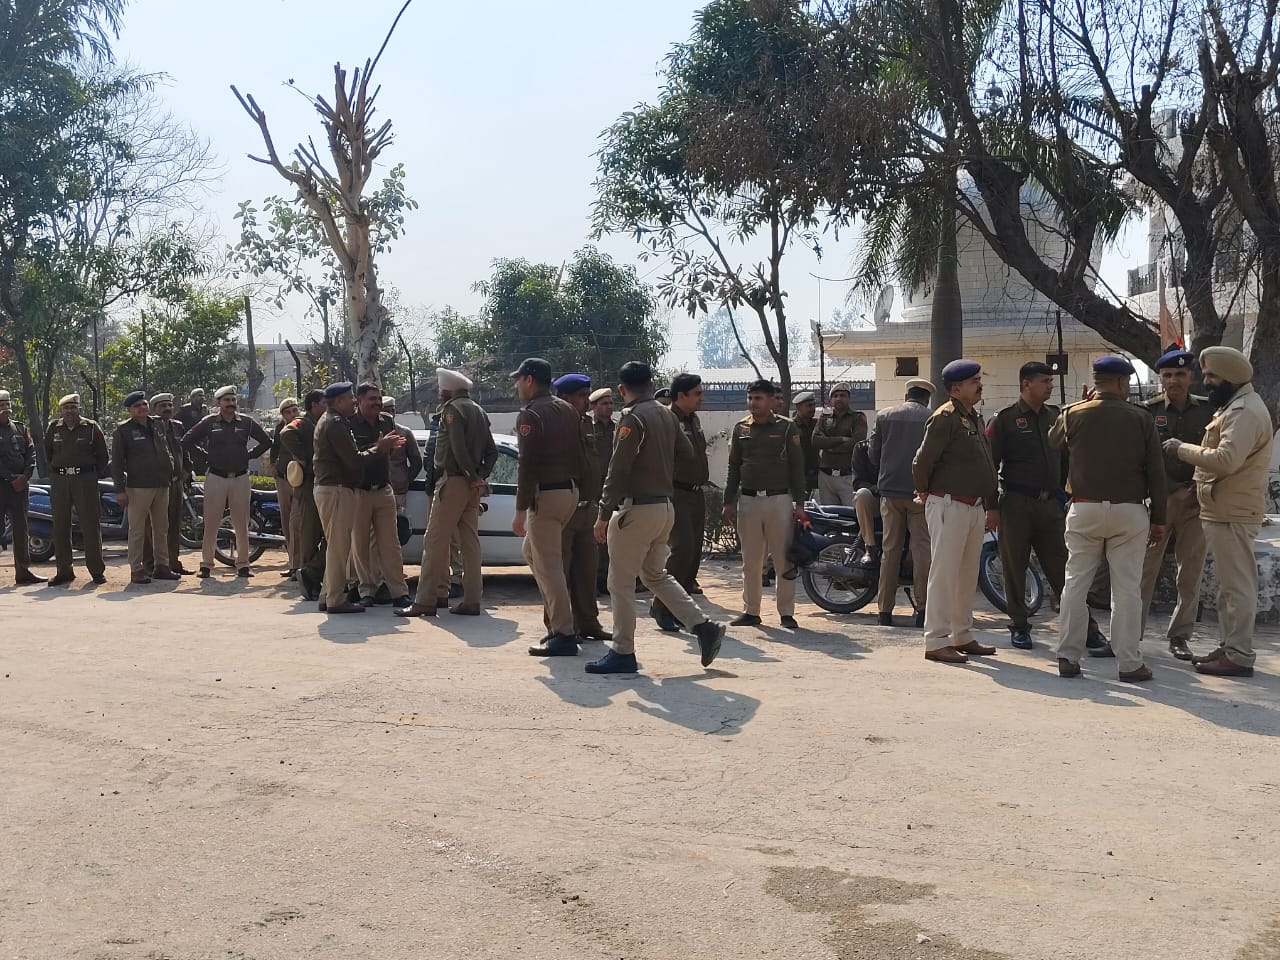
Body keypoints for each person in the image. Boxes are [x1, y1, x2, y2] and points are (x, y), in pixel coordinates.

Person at [587, 361, 727, 674]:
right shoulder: (666, 414)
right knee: (654, 574)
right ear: (651, 384)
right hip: (665, 507)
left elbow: (618, 469)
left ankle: (623, 651)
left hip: (637, 509)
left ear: (623, 390)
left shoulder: (632, 417)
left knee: (620, 583)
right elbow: (688, 452)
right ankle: (703, 626)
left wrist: (602, 514)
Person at [1050, 356, 1167, 681]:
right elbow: (1156, 473)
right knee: (1127, 589)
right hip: (1129, 511)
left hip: (1084, 508)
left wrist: (1076, 405)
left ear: (1097, 381)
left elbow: (1053, 441)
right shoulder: (1141, 417)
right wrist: (1160, 517)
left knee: (1075, 584)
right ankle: (1129, 663)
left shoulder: (1073, 414)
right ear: (1119, 382)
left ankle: (1067, 657)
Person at [1165, 346, 1274, 678]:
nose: (1207, 382)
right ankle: (1230, 647)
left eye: (1212, 376)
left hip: (1233, 512)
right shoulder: (1235, 407)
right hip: (1224, 508)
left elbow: (1226, 459)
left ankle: (1239, 654)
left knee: (1237, 586)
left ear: (1231, 377)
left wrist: (1181, 449)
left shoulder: (1244, 412)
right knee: (1229, 586)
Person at [987, 362, 1106, 652]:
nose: (1050, 386)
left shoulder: (1056, 416)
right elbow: (990, 465)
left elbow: (1067, 460)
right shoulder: (1004, 420)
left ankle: (1087, 629)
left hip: (1050, 505)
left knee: (1065, 570)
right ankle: (1019, 625)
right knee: (1014, 568)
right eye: (1044, 381)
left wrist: (1064, 495)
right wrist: (992, 506)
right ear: (1026, 384)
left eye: (1051, 381)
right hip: (1015, 503)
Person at [912, 361, 999, 663]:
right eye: (974, 381)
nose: (979, 385)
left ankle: (962, 634)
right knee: (945, 573)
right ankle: (935, 640)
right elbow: (922, 461)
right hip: (948, 503)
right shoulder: (945, 417)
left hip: (972, 505)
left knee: (966, 575)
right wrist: (923, 490)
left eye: (978, 379)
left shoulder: (972, 417)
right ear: (956, 388)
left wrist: (990, 503)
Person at [397, 369, 497, 619]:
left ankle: (425, 601)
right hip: (470, 487)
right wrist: (479, 477)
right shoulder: (479, 411)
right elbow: (492, 452)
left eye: (441, 390)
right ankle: (473, 599)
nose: (439, 395)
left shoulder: (452, 411)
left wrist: (471, 476)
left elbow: (457, 448)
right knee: (470, 543)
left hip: (452, 482)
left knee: (434, 542)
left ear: (447, 391)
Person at [1138, 347, 1214, 661]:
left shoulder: (1209, 411)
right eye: (1167, 375)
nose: (1173, 381)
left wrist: (1197, 488)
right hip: (1159, 503)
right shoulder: (1146, 411)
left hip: (1197, 502)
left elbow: (1217, 452)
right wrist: (1169, 492)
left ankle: (1180, 636)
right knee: (1144, 570)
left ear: (1191, 377)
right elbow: (1139, 460)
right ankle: (1131, 634)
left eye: (1180, 374)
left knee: (1190, 572)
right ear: (1160, 379)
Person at [512, 358, 589, 657]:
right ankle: (560, 624)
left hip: (547, 494)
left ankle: (563, 632)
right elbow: (583, 454)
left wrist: (520, 510)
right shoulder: (567, 409)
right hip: (569, 491)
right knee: (532, 554)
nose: (517, 385)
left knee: (549, 565)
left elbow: (527, 464)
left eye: (519, 379)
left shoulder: (532, 414)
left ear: (530, 380)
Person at [526, 372, 611, 640]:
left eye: (588, 396)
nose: (587, 401)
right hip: (564, 508)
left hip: (587, 509)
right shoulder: (553, 423)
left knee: (587, 571)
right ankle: (557, 627)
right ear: (564, 398)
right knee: (557, 571)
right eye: (581, 397)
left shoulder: (588, 424)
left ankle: (589, 624)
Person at [722, 379, 808, 629]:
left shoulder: (786, 428)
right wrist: (729, 501)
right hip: (748, 500)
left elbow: (797, 468)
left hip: (779, 500)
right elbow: (733, 468)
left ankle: (786, 613)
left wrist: (799, 503)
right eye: (750, 398)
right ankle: (751, 611)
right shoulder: (740, 428)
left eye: (758, 398)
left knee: (783, 559)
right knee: (751, 560)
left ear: (771, 401)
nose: (753, 403)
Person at [312, 382, 403, 614]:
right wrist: (379, 447)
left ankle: (327, 596)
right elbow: (354, 460)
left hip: (347, 489)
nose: (353, 401)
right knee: (340, 549)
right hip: (338, 490)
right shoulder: (335, 423)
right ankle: (335, 599)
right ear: (339, 401)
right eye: (351, 397)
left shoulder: (335, 421)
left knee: (337, 546)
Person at [181, 385, 271, 578]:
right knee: (211, 522)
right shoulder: (209, 422)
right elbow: (186, 441)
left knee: (241, 522)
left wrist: (248, 456)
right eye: (226, 400)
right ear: (218, 403)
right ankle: (206, 565)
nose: (231, 404)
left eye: (233, 400)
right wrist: (205, 456)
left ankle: (243, 564)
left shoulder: (246, 422)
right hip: (216, 477)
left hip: (240, 477)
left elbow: (266, 441)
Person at [868, 379, 934, 627]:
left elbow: (873, 453)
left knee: (890, 551)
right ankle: (923, 610)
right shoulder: (932, 418)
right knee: (921, 551)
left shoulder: (885, 416)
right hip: (921, 493)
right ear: (927, 397)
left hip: (890, 491)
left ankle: (884, 611)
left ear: (906, 395)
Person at [651, 372, 708, 632]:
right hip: (676, 493)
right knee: (682, 549)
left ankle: (679, 608)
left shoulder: (693, 419)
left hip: (696, 494)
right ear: (681, 395)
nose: (701, 397)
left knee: (693, 553)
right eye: (697, 393)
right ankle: (660, 605)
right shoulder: (667, 418)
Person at [348, 384, 410, 607]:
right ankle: (367, 591)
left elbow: (391, 450)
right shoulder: (349, 423)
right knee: (360, 544)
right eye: (372, 398)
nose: (377, 402)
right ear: (359, 400)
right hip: (360, 491)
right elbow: (357, 457)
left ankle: (399, 592)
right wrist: (380, 446)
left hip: (384, 490)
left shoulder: (387, 421)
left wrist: (388, 447)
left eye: (379, 398)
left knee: (391, 543)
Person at [111, 391, 179, 584]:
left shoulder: (156, 424)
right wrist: (119, 490)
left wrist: (171, 466)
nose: (142, 408)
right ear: (130, 410)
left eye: (144, 404)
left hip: (162, 483)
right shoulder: (123, 430)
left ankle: (162, 566)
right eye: (137, 406)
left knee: (161, 527)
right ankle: (136, 569)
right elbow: (116, 463)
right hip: (138, 486)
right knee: (137, 530)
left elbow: (165, 449)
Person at [44, 393, 110, 586]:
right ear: (61, 411)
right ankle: (64, 571)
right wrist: (57, 472)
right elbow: (48, 453)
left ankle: (97, 571)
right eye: (66, 408)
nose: (70, 412)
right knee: (60, 525)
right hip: (60, 480)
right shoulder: (53, 428)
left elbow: (103, 455)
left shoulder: (90, 427)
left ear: (79, 409)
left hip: (85, 479)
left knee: (90, 524)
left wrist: (91, 475)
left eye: (73, 408)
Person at [278, 391, 327, 601]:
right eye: (324, 402)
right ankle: (309, 578)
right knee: (310, 533)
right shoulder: (304, 422)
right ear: (314, 405)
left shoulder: (323, 422)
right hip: (308, 484)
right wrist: (304, 457)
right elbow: (286, 433)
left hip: (322, 482)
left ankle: (313, 573)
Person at [142, 393, 191, 577]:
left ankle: (173, 562)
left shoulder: (177, 427)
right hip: (155, 484)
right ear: (154, 409)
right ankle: (149, 565)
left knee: (173, 523)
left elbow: (184, 449)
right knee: (151, 526)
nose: (167, 409)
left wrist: (187, 468)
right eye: (162, 406)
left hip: (176, 483)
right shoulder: (149, 427)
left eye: (169, 405)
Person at [0, 389, 45, 586]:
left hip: (19, 488)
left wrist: (25, 477)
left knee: (21, 528)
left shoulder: (19, 428)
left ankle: (23, 571)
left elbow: (31, 453)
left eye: (7, 404)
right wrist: (10, 477)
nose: (5, 409)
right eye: (1, 405)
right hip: (2, 485)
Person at [811, 383, 867, 506]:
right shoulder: (824, 418)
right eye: (835, 395)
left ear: (849, 398)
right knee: (829, 515)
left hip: (847, 476)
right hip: (826, 476)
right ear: (830, 400)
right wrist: (842, 439)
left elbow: (857, 443)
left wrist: (828, 445)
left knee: (849, 516)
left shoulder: (857, 418)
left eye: (843, 395)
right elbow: (815, 441)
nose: (839, 398)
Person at [271, 397, 302, 577]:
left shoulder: (304, 426)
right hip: (283, 478)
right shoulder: (279, 428)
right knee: (286, 520)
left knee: (297, 522)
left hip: (300, 480)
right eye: (288, 412)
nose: (292, 414)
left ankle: (300, 563)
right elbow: (275, 448)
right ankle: (292, 560)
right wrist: (274, 466)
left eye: (294, 410)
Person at [589, 387, 616, 594]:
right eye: (604, 404)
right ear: (594, 407)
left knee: (614, 536)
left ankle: (609, 577)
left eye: (610, 403)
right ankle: (597, 578)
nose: (608, 407)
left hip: (615, 488)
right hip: (594, 489)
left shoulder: (619, 428)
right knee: (597, 537)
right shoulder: (588, 427)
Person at [792, 391, 820, 498]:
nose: (812, 408)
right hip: (798, 474)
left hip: (816, 472)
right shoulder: (791, 426)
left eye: (813, 405)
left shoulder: (817, 424)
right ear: (798, 407)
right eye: (808, 406)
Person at [176, 388, 209, 474]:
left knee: (202, 462)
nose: (202, 397)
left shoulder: (205, 409)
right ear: (192, 397)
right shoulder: (185, 409)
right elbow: (176, 422)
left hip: (203, 440)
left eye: (202, 395)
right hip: (190, 439)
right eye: (199, 395)